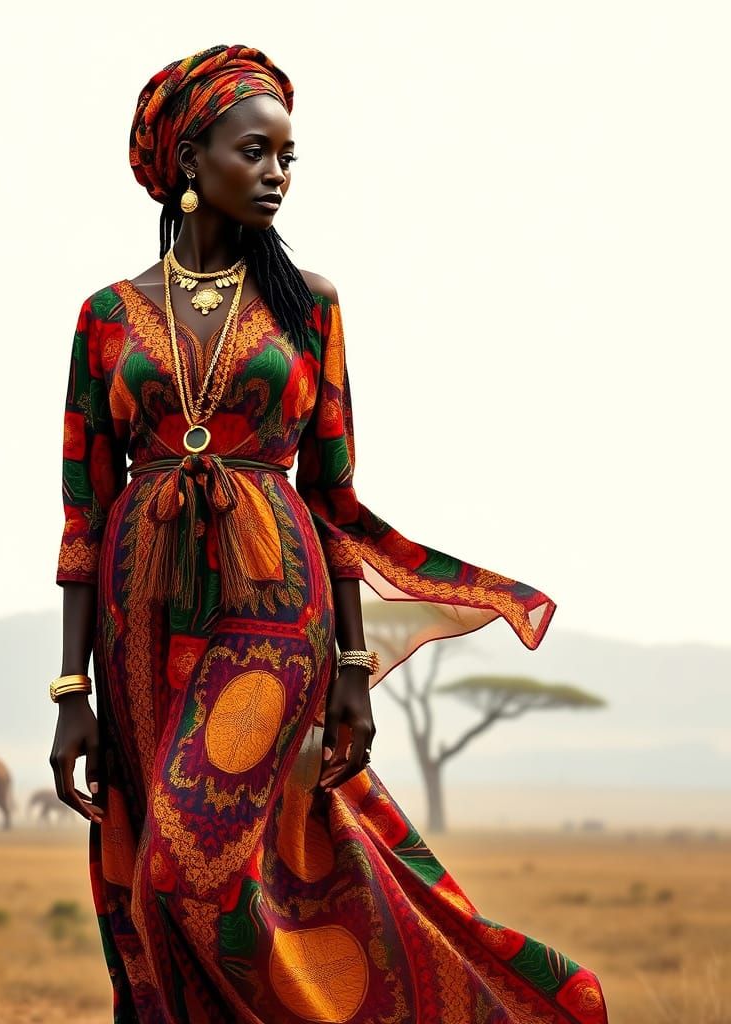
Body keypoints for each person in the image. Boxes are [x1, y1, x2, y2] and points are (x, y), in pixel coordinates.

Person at [50, 43, 608, 1024]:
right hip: (135, 628)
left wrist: (351, 660)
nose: (275, 174)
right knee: (150, 880)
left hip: (274, 607)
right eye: (255, 151)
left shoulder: (308, 305)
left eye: (287, 158)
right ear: (188, 159)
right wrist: (70, 691)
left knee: (190, 872)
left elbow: (337, 495)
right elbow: (81, 516)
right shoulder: (106, 316)